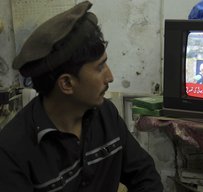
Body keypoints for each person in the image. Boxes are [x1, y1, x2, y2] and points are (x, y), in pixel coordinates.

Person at [0, 1, 163, 192]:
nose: (110, 77)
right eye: (100, 67)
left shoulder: (105, 114)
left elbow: (145, 176)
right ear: (67, 84)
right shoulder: (12, 152)